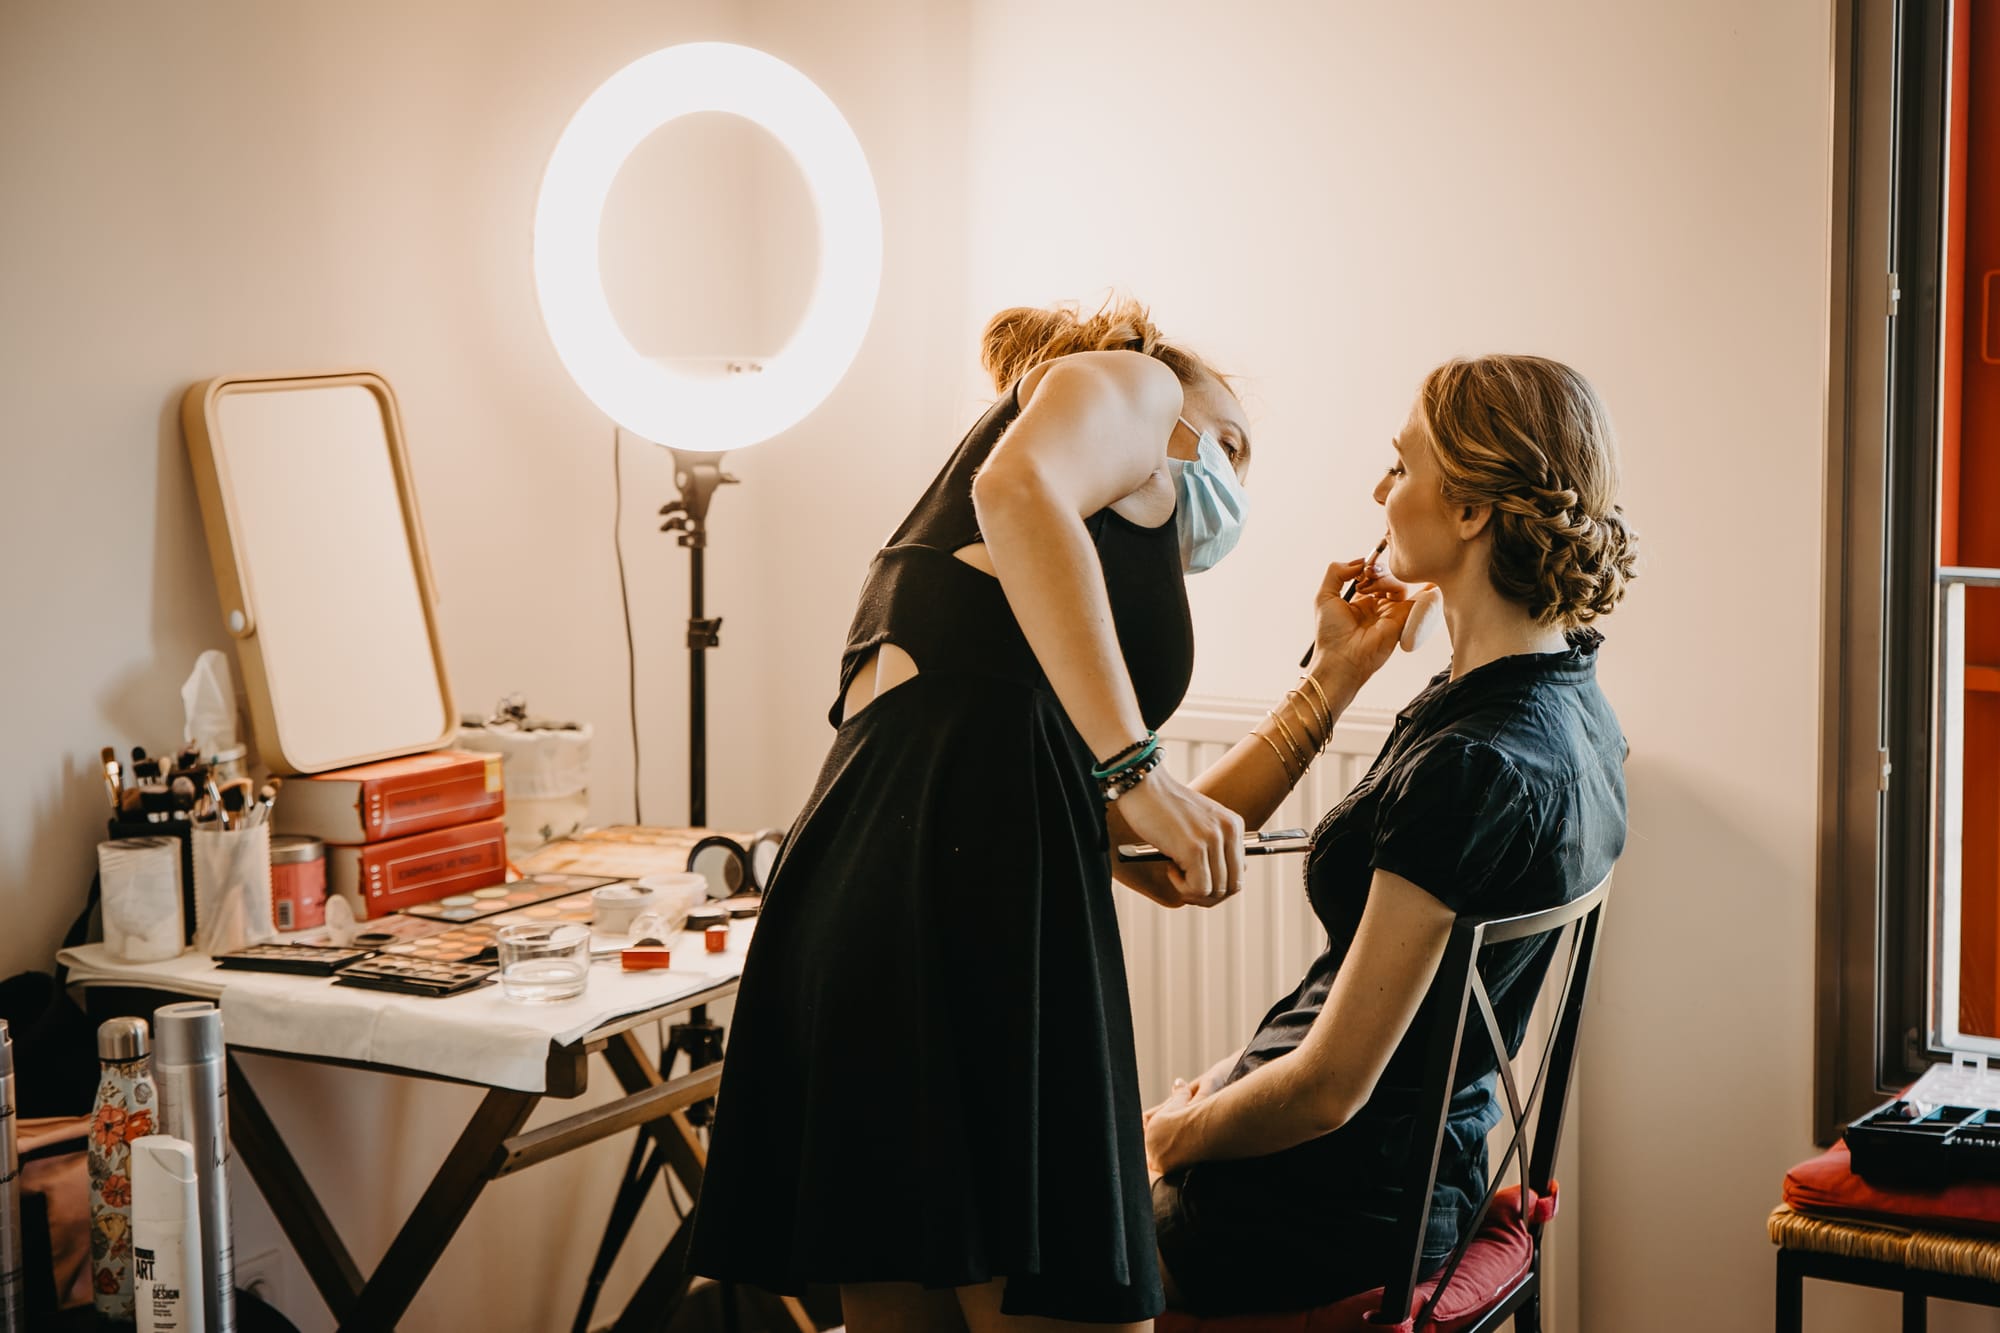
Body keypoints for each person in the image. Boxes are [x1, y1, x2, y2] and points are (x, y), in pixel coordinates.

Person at [687, 295, 1416, 1331]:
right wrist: (1134, 765)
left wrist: (1323, 688)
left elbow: (1162, 860)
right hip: (957, 901)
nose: (1231, 483)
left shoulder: (1021, 648)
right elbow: (1015, 482)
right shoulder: (1132, 380)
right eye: (1232, 446)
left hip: (869, 902)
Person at [1133, 354, 1637, 1317]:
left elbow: (1329, 1090)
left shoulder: (1474, 766)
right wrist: (1334, 675)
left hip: (1324, 1213)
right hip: (1412, 1170)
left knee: (997, 1246)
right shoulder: (1570, 709)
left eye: (1400, 466)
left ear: (1470, 512)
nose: (1378, 491)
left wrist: (1170, 1137)